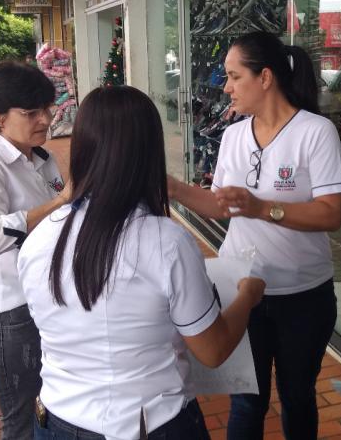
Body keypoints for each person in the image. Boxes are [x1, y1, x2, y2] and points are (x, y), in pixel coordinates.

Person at [17, 86, 265, 440]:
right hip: (149, 424)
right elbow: (213, 350)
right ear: (150, 152)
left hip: (57, 421)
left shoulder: (40, 239)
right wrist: (247, 296)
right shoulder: (165, 242)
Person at [169, 31, 341, 439]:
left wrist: (262, 207)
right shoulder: (233, 135)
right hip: (240, 290)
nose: (226, 87)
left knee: (297, 394)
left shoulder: (315, 132)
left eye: (234, 77)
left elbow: (331, 214)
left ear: (264, 77)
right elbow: (222, 206)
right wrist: (175, 188)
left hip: (302, 295)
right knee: (246, 399)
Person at [0, 61, 71, 439]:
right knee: (22, 422)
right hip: (12, 314)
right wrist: (59, 203)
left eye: (48, 109)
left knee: (54, 411)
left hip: (52, 299)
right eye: (31, 112)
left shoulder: (42, 158)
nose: (45, 119)